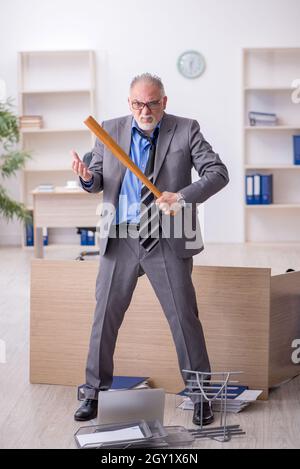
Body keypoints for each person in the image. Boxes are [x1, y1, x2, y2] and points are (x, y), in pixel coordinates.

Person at [71, 73, 229, 426]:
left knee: (184, 318)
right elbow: (97, 179)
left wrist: (183, 196)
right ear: (129, 103)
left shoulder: (186, 129)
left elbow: (218, 172)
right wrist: (85, 177)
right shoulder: (108, 131)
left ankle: (200, 394)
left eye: (152, 103)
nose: (145, 110)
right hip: (120, 237)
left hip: (167, 238)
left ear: (164, 102)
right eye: (138, 104)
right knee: (104, 318)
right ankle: (93, 393)